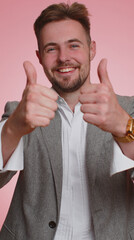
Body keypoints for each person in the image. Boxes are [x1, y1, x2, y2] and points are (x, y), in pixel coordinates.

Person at [0, 2, 134, 240]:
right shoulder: (22, 111)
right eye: (51, 49)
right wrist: (12, 129)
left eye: (74, 45)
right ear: (39, 57)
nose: (63, 58)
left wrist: (125, 129)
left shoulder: (126, 110)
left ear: (92, 49)